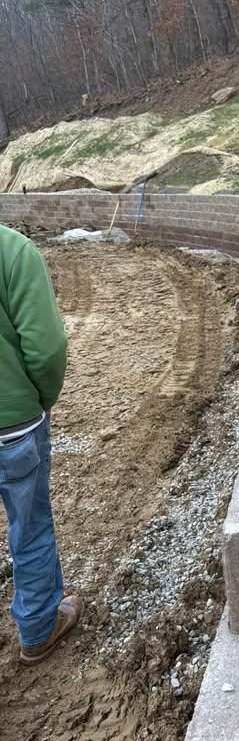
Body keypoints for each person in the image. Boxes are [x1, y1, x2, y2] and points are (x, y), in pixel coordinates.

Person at [0, 222, 82, 664]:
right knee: (29, 527)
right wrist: (41, 398)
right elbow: (46, 347)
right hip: (12, 426)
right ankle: (37, 629)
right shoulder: (12, 249)